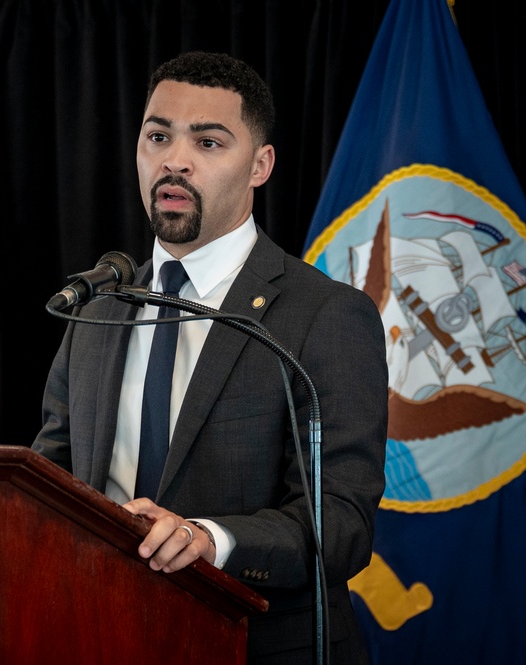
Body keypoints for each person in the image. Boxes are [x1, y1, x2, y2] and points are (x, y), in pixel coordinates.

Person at [32, 50, 388, 664]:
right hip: (101, 633)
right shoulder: (99, 305)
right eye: (157, 135)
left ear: (260, 165)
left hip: (257, 645)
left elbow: (340, 524)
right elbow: (53, 476)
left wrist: (209, 540)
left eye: (209, 142)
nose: (175, 159)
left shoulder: (326, 315)